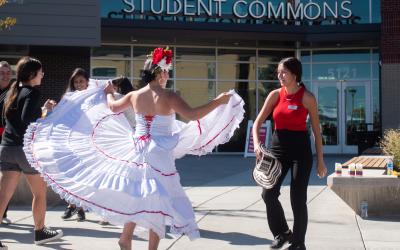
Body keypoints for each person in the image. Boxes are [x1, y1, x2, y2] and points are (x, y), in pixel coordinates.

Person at [23, 47, 244, 250]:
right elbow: (193, 115)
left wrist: (108, 91)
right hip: (159, 152)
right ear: (160, 73)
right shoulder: (169, 96)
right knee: (157, 200)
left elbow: (112, 107)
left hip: (137, 148)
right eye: (166, 71)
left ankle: (126, 237)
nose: (167, 75)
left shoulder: (135, 95)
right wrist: (219, 101)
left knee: (141, 196)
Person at [252, 57, 327, 250]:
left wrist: (321, 161)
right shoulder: (275, 95)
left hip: (300, 152)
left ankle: (298, 243)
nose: (280, 76)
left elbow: (317, 132)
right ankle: (282, 232)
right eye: (278, 72)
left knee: (298, 197)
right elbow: (258, 122)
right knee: (268, 194)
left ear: (295, 74)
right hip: (277, 151)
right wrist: (258, 145)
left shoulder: (307, 98)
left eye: (283, 72)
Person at [0, 57, 63, 247]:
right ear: (32, 74)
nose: (43, 75)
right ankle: (40, 232)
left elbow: (5, 120)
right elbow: (28, 118)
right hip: (24, 150)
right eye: (40, 72)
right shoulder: (33, 93)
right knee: (40, 192)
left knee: (3, 196)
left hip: (6, 147)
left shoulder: (12, 90)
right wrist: (45, 111)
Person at [60, 68, 89, 222]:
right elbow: (61, 117)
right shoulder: (68, 98)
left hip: (86, 142)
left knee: (82, 177)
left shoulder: (92, 98)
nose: (78, 84)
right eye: (76, 82)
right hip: (69, 141)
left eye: (81, 81)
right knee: (70, 175)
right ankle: (72, 205)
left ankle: (81, 209)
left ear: (87, 83)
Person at [0, 61, 12, 227]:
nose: (5, 75)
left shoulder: (13, 92)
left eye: (8, 72)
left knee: (6, 177)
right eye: (2, 72)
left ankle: (3, 213)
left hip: (7, 139)